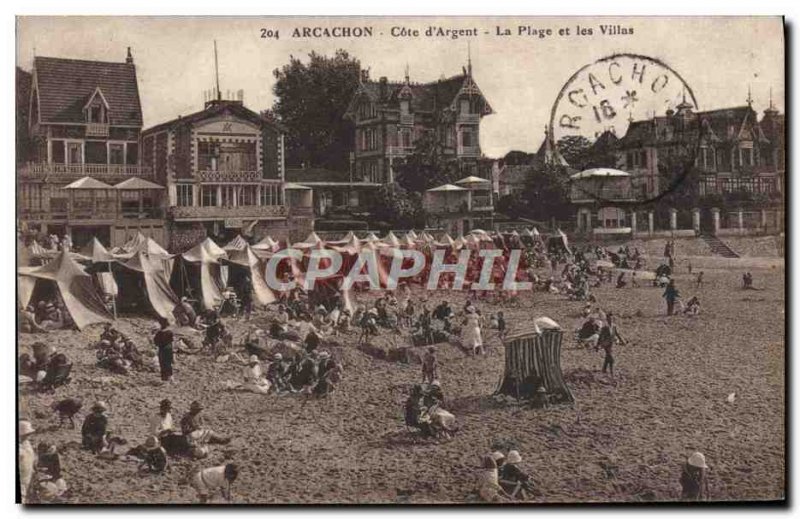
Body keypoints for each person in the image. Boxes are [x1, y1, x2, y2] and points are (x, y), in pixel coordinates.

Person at [18, 420, 36, 503]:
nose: (28, 436)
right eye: (25, 434)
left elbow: (31, 456)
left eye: (28, 434)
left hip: (28, 477)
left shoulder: (27, 443)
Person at [153, 317, 174, 383]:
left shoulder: (159, 333)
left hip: (162, 349)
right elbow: (171, 340)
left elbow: (156, 342)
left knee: (162, 363)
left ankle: (165, 378)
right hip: (168, 348)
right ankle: (170, 377)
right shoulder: (170, 332)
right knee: (168, 363)